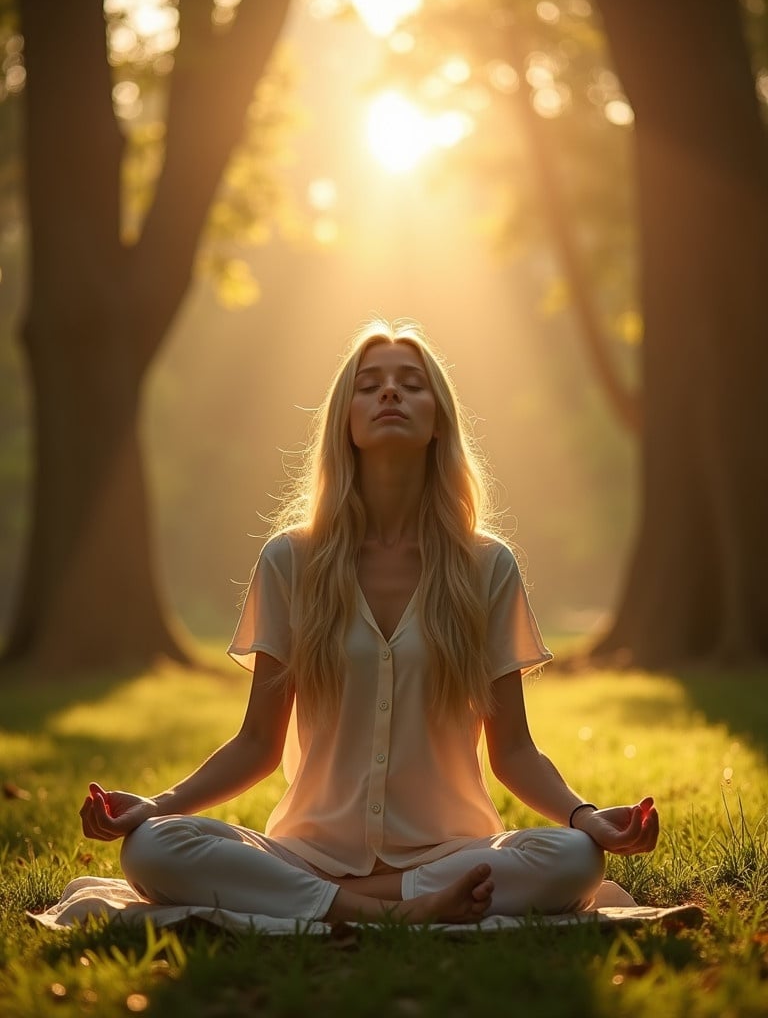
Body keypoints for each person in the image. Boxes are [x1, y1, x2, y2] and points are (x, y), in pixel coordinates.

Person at [79, 318, 659, 926]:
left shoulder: (487, 566)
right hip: (308, 855)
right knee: (151, 846)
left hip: (450, 855)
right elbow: (258, 743)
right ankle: (393, 911)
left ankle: (349, 907)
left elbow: (512, 750)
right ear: (344, 421)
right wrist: (159, 804)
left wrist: (585, 816)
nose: (389, 393)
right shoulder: (290, 561)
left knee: (573, 858)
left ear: (438, 421)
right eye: (369, 384)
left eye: (411, 383)